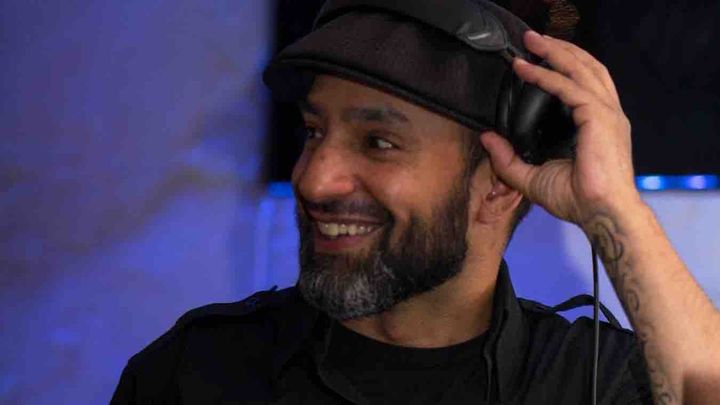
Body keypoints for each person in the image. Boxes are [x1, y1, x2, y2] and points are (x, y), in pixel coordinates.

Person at [111, 1, 720, 404]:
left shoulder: (594, 382)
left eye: (378, 142)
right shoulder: (193, 373)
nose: (315, 180)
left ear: (499, 183)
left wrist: (615, 209)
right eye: (314, 131)